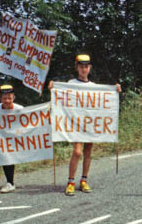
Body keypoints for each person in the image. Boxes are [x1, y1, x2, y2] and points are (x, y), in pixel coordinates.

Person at [48, 54, 121, 196]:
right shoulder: (71, 83)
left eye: (86, 67)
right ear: (77, 67)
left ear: (90, 68)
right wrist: (53, 87)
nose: (84, 69)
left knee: (88, 152)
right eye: (81, 66)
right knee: (77, 152)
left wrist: (115, 89)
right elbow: (61, 96)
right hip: (76, 124)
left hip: (90, 124)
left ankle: (84, 180)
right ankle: (70, 182)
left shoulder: (93, 86)